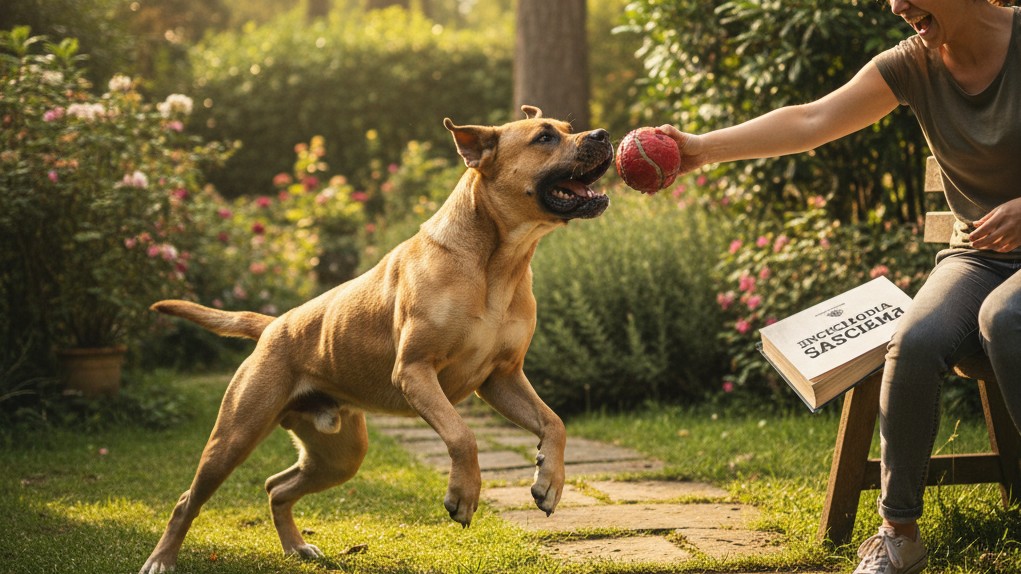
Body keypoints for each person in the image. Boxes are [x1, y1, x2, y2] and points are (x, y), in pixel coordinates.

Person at [657, 1, 1021, 573]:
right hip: (981, 256)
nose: (897, 6)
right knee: (917, 340)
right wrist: (701, 149)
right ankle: (898, 535)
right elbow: (811, 121)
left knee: (1005, 316)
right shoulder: (912, 64)